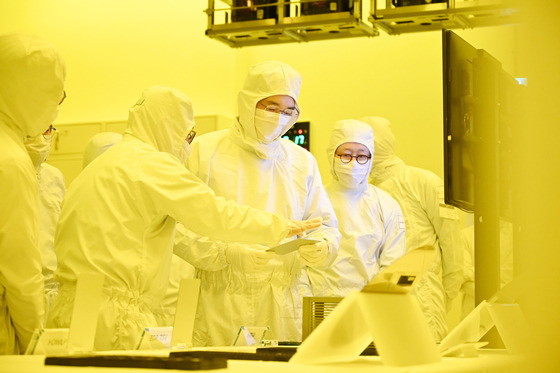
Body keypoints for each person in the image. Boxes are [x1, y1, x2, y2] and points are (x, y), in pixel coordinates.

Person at [47, 86, 321, 351]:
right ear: (171, 128)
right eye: (188, 135)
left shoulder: (103, 165)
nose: (187, 144)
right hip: (115, 318)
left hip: (72, 311)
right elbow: (214, 213)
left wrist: (225, 253)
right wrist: (281, 226)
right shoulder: (152, 165)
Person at [184, 60, 341, 346]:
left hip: (284, 298)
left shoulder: (301, 161)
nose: (279, 117)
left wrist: (323, 245)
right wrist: (225, 253)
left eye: (287, 110)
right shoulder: (204, 151)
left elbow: (324, 223)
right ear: (247, 102)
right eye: (270, 107)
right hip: (222, 297)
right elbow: (179, 228)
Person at [359, 116, 463, 342]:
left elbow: (452, 241)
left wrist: (448, 292)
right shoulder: (364, 191)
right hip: (378, 297)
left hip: (421, 296)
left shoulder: (423, 181)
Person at [0, 33, 66, 354]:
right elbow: (21, 274)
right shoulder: (11, 160)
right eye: (55, 95)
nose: (55, 107)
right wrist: (38, 347)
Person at [305, 119, 406, 297]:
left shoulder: (386, 204)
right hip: (319, 304)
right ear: (332, 156)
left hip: (368, 303)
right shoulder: (314, 200)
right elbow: (299, 262)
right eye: (345, 155)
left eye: (361, 156)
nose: (353, 163)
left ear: (370, 158)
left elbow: (393, 264)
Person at [24, 124, 66, 324]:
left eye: (48, 129)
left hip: (54, 288)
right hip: (20, 289)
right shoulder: (8, 169)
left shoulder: (54, 177)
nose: (42, 136)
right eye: (36, 127)